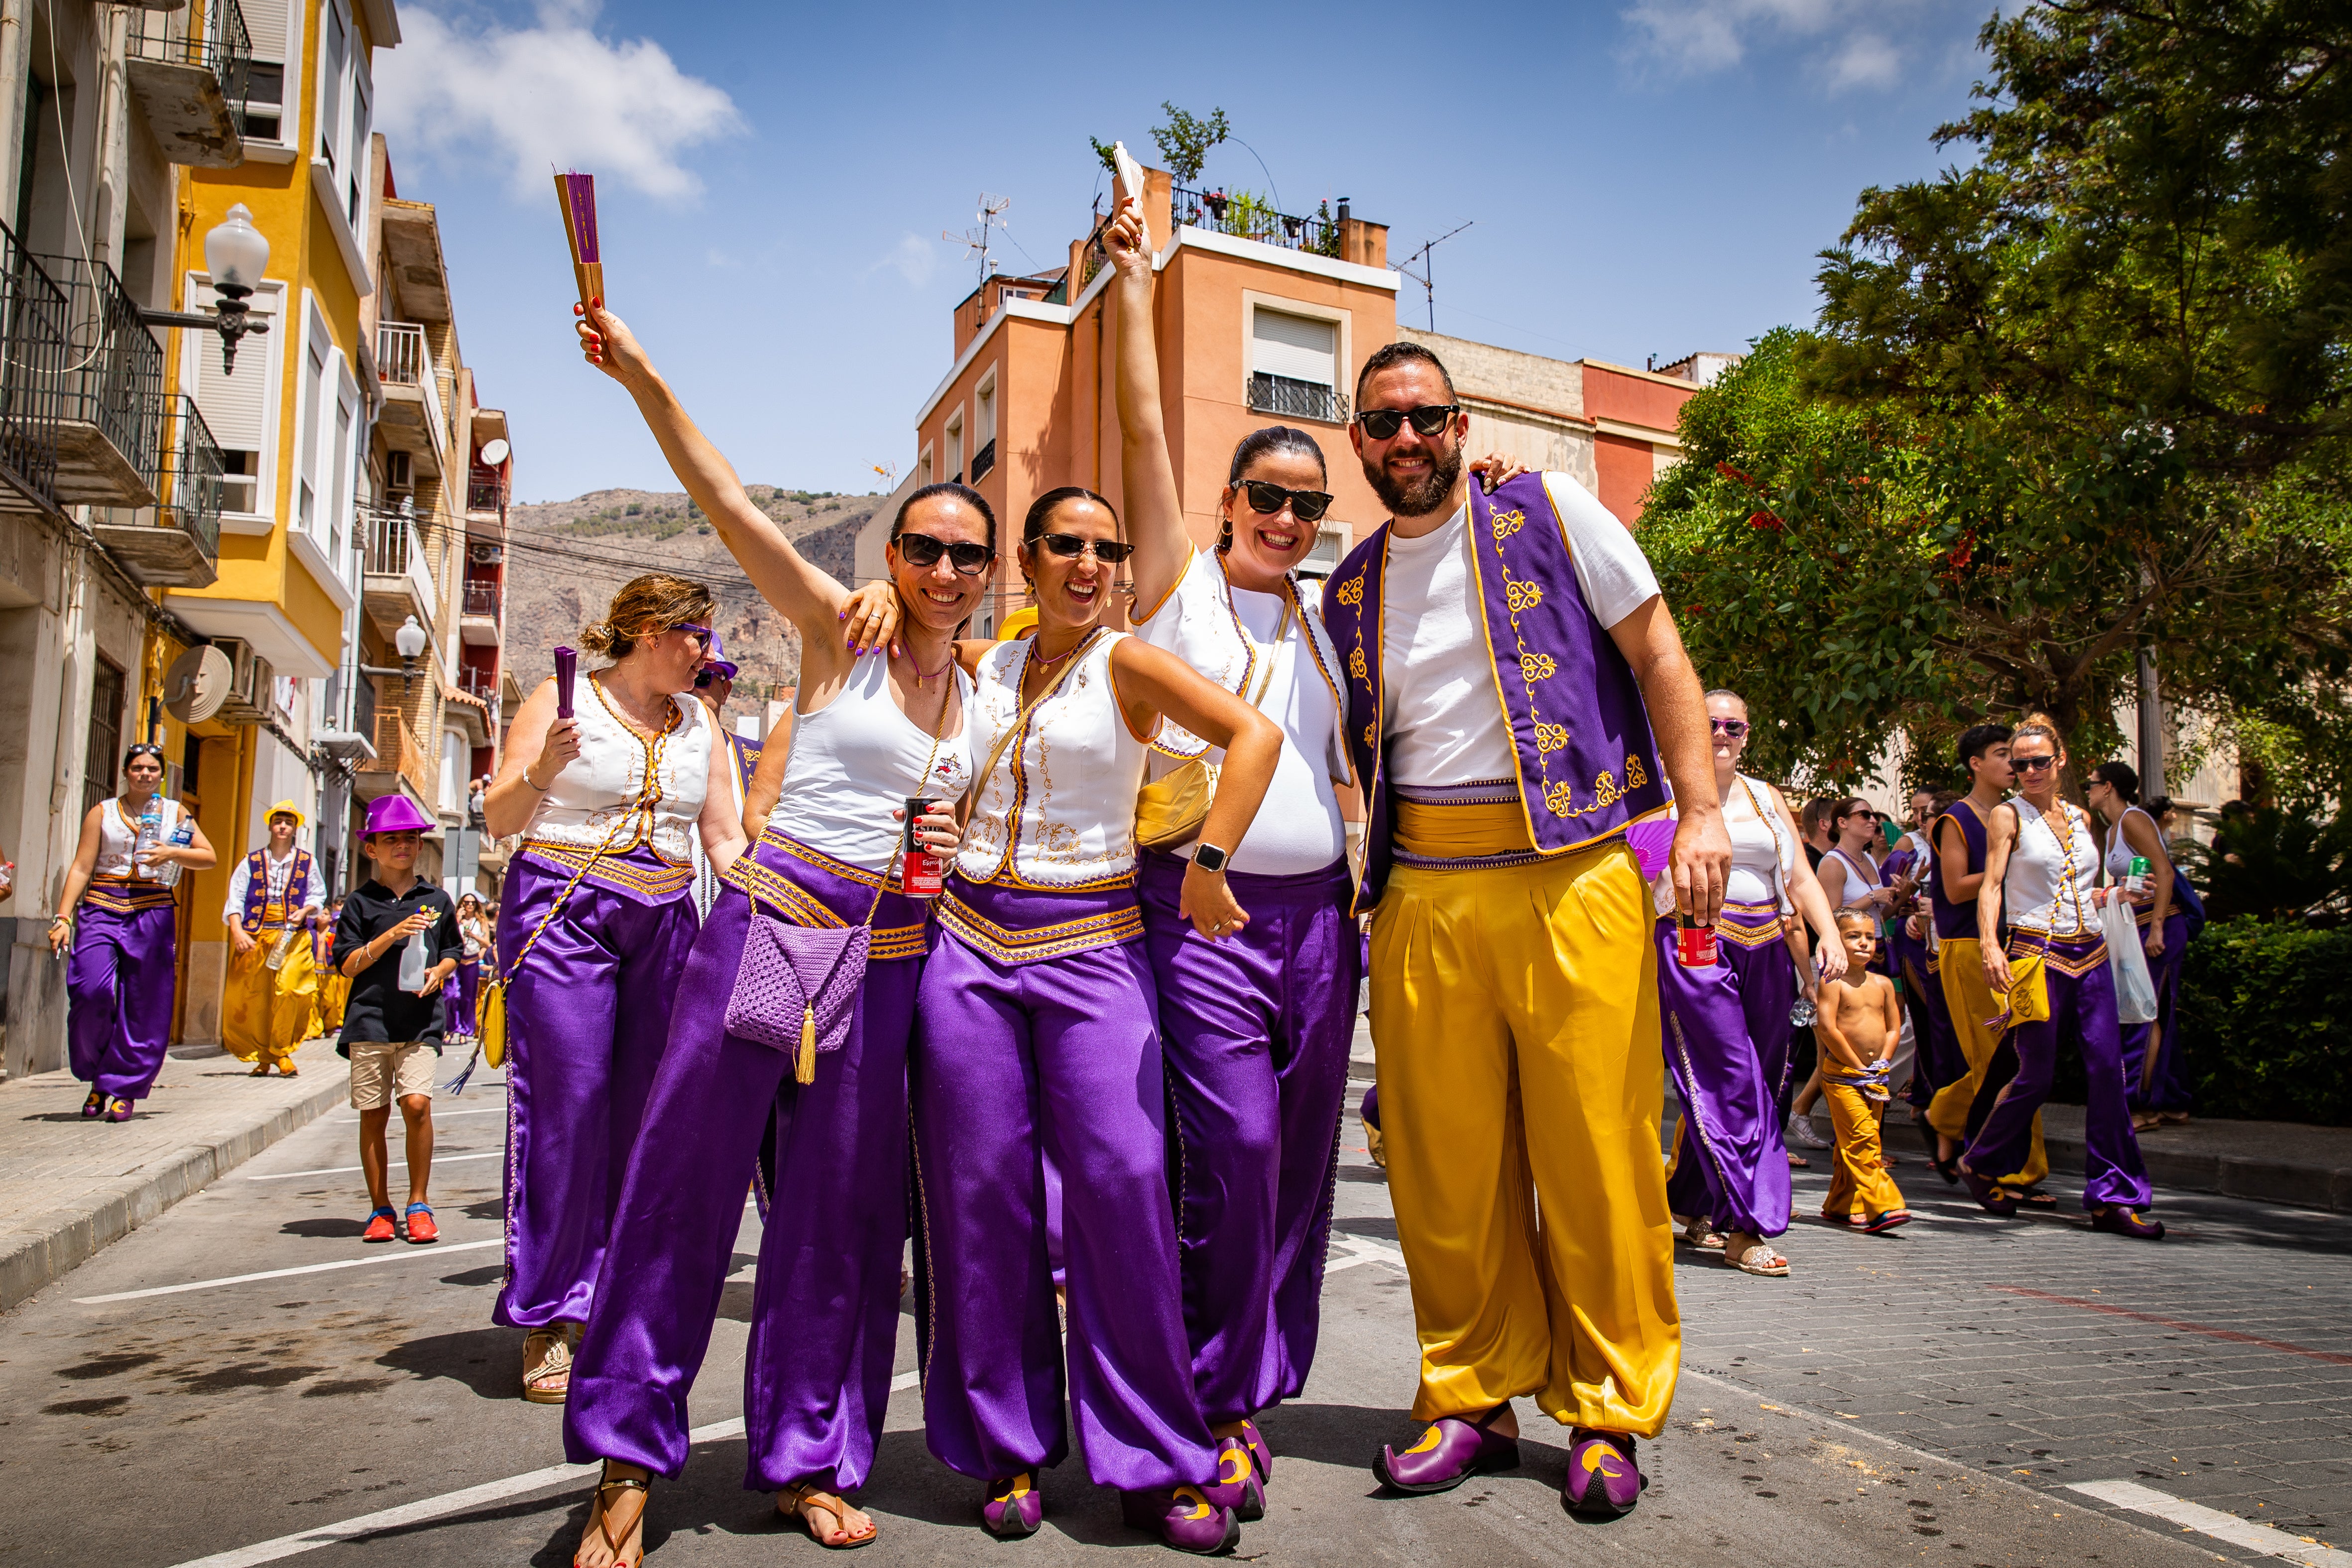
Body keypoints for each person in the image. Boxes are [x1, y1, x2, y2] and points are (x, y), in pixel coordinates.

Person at [562, 300, 976, 1561]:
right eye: (922, 547)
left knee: (834, 1222)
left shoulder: (991, 681)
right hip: (764, 926)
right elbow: (727, 498)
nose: (945, 571)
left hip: (885, 962)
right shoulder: (832, 633)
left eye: (968, 554)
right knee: (679, 1193)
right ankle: (627, 1462)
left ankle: (804, 1453)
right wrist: (638, 366)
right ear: (889, 552)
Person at [1322, 340, 1730, 1519]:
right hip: (1422, 891)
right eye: (1382, 422)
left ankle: (1608, 1407)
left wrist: (1698, 808)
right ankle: (1469, 1394)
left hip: (1572, 871)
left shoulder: (1551, 509)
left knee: (1598, 1158)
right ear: (1359, 438)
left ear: (1459, 424)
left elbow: (1655, 649)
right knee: (1445, 1169)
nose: (1405, 439)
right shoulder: (1348, 588)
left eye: (1425, 418)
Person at [911, 481, 1283, 1554]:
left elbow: (1249, 734)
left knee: (1122, 1188)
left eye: (1104, 547)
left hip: (1093, 944)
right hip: (968, 945)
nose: (1087, 562)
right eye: (1064, 544)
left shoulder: (1127, 660)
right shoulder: (982, 664)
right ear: (1023, 558)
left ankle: (1152, 1458)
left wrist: (1210, 856)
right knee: (981, 1197)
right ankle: (1007, 1446)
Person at [1098, 194, 1362, 1505]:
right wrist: (1139, 284)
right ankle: (1208, 1394)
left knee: (1301, 1164)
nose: (1286, 517)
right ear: (1227, 499)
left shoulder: (1325, 613)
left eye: (1306, 503)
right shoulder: (1178, 588)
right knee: (1237, 1151)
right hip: (1202, 912)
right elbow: (1144, 427)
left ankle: (1254, 1390)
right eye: (1266, 495)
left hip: (1324, 920)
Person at [481, 571, 745, 1405]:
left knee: (645, 1116)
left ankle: (617, 1299)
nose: (706, 650)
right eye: (694, 633)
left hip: (665, 914)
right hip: (563, 903)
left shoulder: (701, 720)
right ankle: (551, 1310)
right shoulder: (564, 705)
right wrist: (543, 768)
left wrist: (783, 911)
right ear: (647, 631)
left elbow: (727, 837)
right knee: (568, 1104)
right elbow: (497, 817)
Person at [1659, 689, 1845, 1280]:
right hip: (1695, 942)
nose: (1720, 733)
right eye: (1709, 722)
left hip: (1765, 945)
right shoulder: (1664, 789)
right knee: (1731, 1078)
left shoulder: (1767, 796)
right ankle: (1748, 1224)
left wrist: (1828, 936)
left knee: (1762, 1079)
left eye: (1732, 725)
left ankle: (1694, 1201)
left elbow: (1797, 875)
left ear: (1746, 733)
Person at [1963, 720, 2163, 1237]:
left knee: (2106, 1071)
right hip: (2035, 952)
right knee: (2036, 1073)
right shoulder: (2007, 816)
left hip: (2091, 950)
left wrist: (2114, 896)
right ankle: (1981, 1160)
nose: (2026, 770)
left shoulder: (2079, 817)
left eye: (2037, 761)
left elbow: (2081, 886)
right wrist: (1989, 943)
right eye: (2018, 761)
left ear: (2060, 760)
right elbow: (1990, 885)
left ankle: (2112, 1195)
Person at [48, 744, 217, 1120]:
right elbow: (81, 867)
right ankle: (96, 1076)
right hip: (102, 907)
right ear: (126, 771)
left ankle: (124, 1086)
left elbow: (209, 857)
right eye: (137, 767)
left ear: (161, 774)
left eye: (152, 768)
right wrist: (63, 917)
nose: (145, 773)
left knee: (145, 1004)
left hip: (153, 910)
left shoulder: (176, 812)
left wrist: (172, 853)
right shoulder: (102, 812)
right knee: (91, 991)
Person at [1924, 724, 2051, 1197]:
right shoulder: (1955, 819)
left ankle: (1946, 1114)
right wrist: (2007, 864)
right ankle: (2015, 1168)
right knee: (1998, 1062)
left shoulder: (2023, 815)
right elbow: (1956, 888)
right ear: (1977, 763)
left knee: (2017, 1060)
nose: (2017, 766)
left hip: (2018, 947)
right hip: (1968, 947)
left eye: (2024, 759)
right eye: (2006, 756)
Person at [331, 795, 459, 1244]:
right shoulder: (359, 904)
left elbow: (452, 951)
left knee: (417, 1105)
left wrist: (441, 972)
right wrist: (390, 935)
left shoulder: (437, 899)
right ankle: (380, 1207)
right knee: (374, 1114)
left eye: (410, 837)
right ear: (372, 848)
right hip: (369, 1021)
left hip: (421, 1021)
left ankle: (419, 1203)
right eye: (392, 839)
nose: (402, 845)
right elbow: (346, 965)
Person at [2086, 761, 2202, 1131]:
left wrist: (2156, 929)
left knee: (2141, 1012)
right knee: (2157, 1012)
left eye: (2092, 784)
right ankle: (2174, 1101)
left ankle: (2141, 1105)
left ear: (2108, 788)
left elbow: (2164, 870)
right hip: (2134, 928)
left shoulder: (2133, 820)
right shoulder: (2111, 830)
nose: (2088, 790)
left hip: (2161, 926)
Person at [1814, 911, 1911, 1231]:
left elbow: (1895, 1028)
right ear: (1835, 941)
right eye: (1853, 936)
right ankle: (1884, 1204)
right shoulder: (1832, 981)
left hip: (1876, 1076)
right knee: (1863, 1138)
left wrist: (1883, 1061)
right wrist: (1857, 1067)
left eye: (1870, 937)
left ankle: (1842, 1204)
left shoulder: (1883, 984)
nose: (1864, 943)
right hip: (1843, 1076)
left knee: (1853, 1144)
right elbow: (1828, 1029)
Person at [222, 800, 322, 1077]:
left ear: (295, 829)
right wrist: (238, 931)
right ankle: (265, 1056)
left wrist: (305, 910)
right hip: (257, 936)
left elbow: (317, 895)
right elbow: (236, 898)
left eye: (288, 823)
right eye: (278, 821)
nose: (283, 827)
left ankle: (282, 1049)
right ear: (270, 826)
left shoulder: (307, 861)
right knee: (256, 998)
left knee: (291, 988)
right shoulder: (251, 861)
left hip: (293, 937)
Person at [1886, 790, 1960, 1137]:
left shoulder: (1962, 850)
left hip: (1955, 947)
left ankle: (1946, 1110)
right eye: (1919, 814)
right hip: (1918, 942)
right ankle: (1928, 1099)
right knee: (1928, 1022)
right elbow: (1897, 902)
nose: (1921, 820)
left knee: (1946, 1028)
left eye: (1928, 815)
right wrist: (1914, 907)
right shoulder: (1912, 845)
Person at [447, 892, 489, 1043]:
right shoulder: (457, 919)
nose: (469, 905)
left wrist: (474, 936)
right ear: (462, 904)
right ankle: (451, 1028)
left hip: (472, 961)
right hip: (457, 962)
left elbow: (486, 943)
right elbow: (448, 936)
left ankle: (465, 1031)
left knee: (468, 998)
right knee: (452, 995)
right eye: (466, 902)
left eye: (472, 902)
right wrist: (457, 919)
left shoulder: (481, 921)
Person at [312, 899, 350, 1038]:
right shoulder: (312, 933)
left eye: (326, 914)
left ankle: (330, 1026)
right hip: (314, 970)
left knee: (330, 1001)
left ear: (330, 917)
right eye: (321, 913)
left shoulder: (333, 932)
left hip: (330, 970)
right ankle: (314, 1029)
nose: (322, 916)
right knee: (313, 1000)